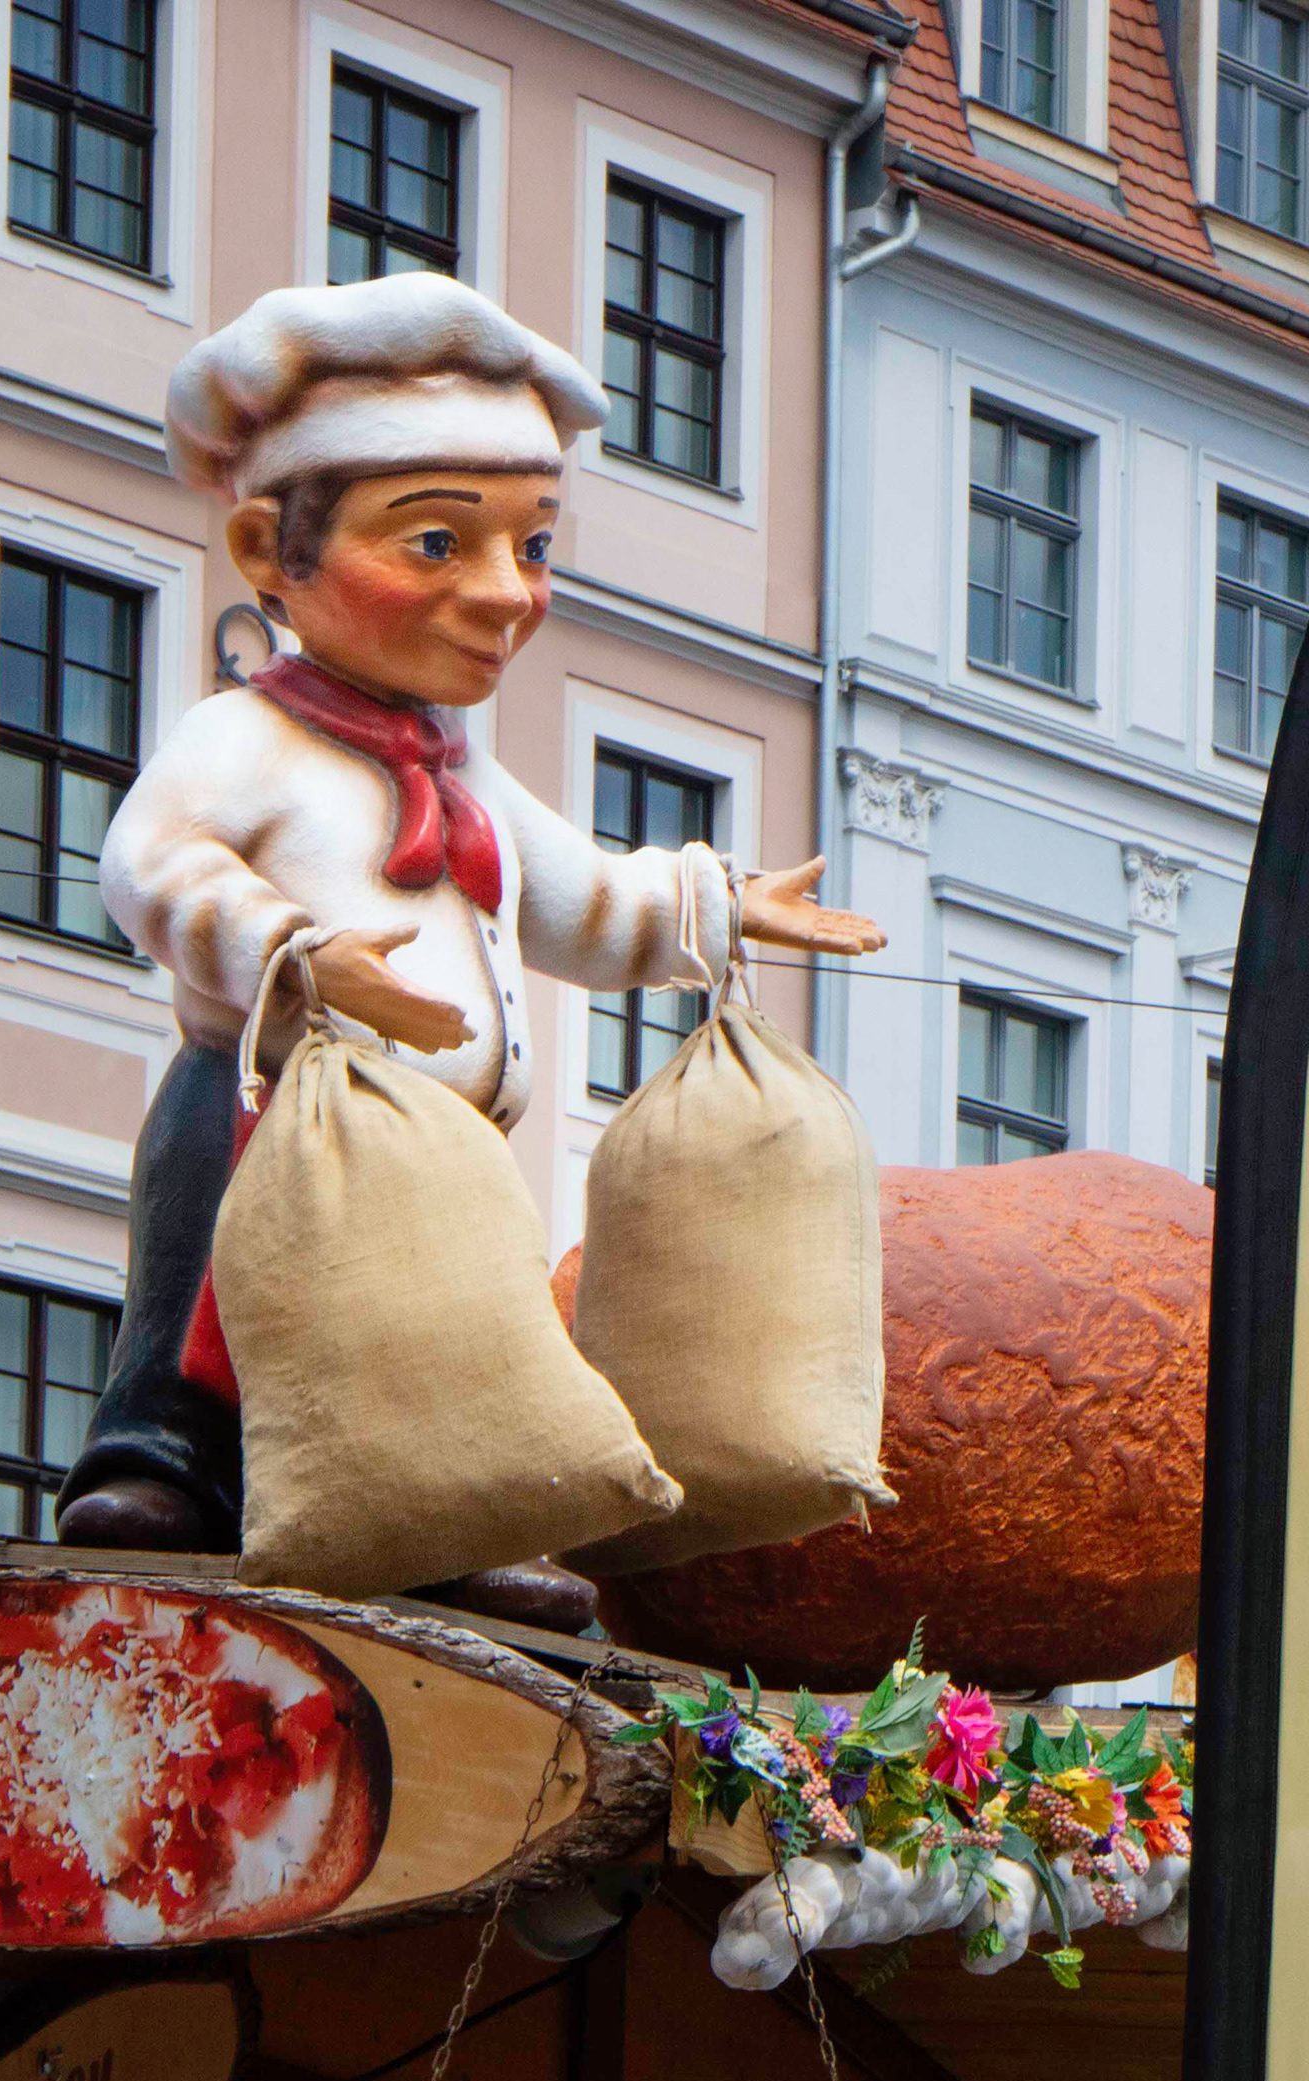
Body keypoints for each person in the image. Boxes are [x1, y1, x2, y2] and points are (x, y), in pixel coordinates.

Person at [54, 274, 885, 1627]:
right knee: (207, 1301)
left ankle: (440, 1527)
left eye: (533, 546)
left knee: (425, 1359)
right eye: (438, 543)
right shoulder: (244, 740)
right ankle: (161, 1466)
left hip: (442, 1156)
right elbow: (149, 862)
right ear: (269, 551)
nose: (505, 593)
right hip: (264, 1107)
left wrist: (716, 907)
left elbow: (585, 900)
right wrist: (290, 952)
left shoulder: (468, 775)